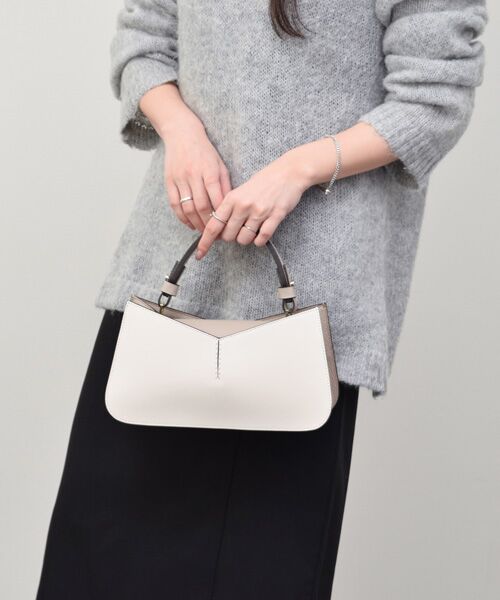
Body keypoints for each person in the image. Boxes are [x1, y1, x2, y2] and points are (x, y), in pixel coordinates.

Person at [36, 1, 487, 598]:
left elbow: (434, 97)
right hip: (170, 292)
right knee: (97, 565)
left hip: (309, 317)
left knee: (259, 572)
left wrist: (298, 169)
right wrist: (182, 131)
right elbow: (144, 39)